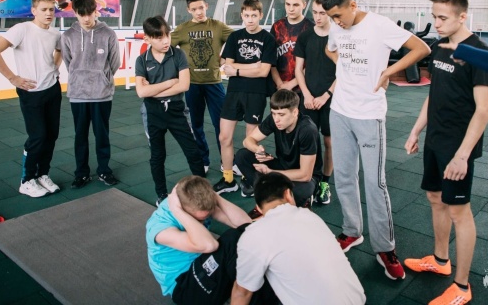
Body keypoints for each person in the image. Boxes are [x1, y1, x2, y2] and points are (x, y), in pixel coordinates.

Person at [322, 0, 430, 280]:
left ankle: (385, 248)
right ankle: (351, 231)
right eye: (331, 17)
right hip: (339, 111)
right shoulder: (337, 27)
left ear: (353, 5)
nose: (336, 22)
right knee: (344, 176)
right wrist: (344, 67)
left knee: (375, 183)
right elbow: (330, 49)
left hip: (369, 115)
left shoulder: (379, 25)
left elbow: (422, 48)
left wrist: (388, 72)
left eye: (338, 15)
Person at [404, 0, 488, 305]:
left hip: (458, 146)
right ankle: (441, 260)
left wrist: (462, 156)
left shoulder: (478, 53)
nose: (437, 23)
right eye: (434, 17)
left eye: (442, 18)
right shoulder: (440, 47)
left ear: (462, 16)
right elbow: (434, 94)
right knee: (434, 198)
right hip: (435, 139)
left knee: (459, 212)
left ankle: (462, 287)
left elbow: (484, 110)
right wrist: (416, 130)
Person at [230, 172, 366, 305]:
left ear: (259, 209)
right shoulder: (312, 217)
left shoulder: (253, 235)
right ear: (288, 194)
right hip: (358, 299)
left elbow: (242, 293)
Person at [0, 0, 62, 198]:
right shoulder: (22, 29)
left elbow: (59, 50)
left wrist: (54, 68)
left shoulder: (55, 34)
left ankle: (42, 175)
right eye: (44, 9)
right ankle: (27, 180)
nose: (48, 13)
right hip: (31, 92)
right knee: (38, 137)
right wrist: (13, 78)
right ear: (34, 10)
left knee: (51, 136)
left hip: (52, 90)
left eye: (51, 9)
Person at [146, 176, 252, 304]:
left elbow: (246, 225)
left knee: (244, 236)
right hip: (184, 287)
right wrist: (177, 210)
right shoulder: (160, 227)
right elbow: (209, 246)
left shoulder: (199, 206)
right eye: (198, 219)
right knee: (231, 240)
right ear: (181, 208)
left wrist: (213, 195)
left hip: (202, 265)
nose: (202, 222)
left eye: (204, 218)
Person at [135, 16, 205, 206]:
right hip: (153, 113)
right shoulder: (142, 60)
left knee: (193, 152)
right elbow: (141, 92)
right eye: (159, 38)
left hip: (176, 110)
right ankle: (161, 195)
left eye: (167, 35)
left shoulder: (178, 54)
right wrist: (170, 82)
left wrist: (153, 90)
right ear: (147, 39)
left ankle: (204, 192)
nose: (166, 41)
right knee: (157, 156)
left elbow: (184, 85)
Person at [212, 0, 276, 195]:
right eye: (246, 15)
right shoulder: (235, 37)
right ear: (241, 15)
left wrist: (238, 70)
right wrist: (253, 66)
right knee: (224, 137)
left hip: (256, 94)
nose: (250, 19)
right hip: (234, 92)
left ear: (260, 15)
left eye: (254, 15)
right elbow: (227, 65)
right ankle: (228, 179)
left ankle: (249, 177)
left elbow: (264, 71)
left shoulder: (268, 39)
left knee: (250, 139)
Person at [61, 0, 121, 189]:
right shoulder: (68, 35)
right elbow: (68, 62)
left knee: (102, 135)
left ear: (96, 11)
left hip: (102, 94)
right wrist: (79, 77)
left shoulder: (108, 33)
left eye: (90, 13)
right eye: (82, 14)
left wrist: (102, 77)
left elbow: (115, 62)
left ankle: (104, 170)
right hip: (77, 94)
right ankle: (82, 173)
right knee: (80, 136)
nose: (86, 18)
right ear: (75, 13)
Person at [233, 89, 322, 216]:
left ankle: (300, 201)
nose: (276, 119)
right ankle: (266, 201)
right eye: (273, 113)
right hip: (283, 166)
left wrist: (270, 173)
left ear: (295, 112)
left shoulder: (307, 130)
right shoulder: (274, 119)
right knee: (242, 156)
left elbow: (305, 175)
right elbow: (248, 140)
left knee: (300, 191)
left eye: (281, 115)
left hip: (305, 178)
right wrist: (257, 149)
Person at [171, 0, 233, 173]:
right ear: (188, 10)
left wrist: (225, 59)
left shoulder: (217, 26)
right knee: (196, 124)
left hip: (214, 83)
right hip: (192, 85)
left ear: (206, 6)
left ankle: (226, 161)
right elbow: (166, 48)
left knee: (221, 124)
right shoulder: (182, 29)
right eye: (194, 9)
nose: (198, 12)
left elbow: (237, 41)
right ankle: (203, 160)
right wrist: (179, 69)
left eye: (201, 7)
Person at [293, 0, 335, 205]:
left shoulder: (339, 37)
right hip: (308, 99)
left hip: (331, 99)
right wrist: (307, 95)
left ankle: (325, 183)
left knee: (329, 142)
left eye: (322, 13)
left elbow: (344, 71)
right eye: (315, 13)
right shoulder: (305, 37)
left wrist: (326, 95)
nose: (318, 17)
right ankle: (311, 180)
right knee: (309, 141)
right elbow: (298, 70)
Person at [270, 0, 314, 92]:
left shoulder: (311, 29)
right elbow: (270, 59)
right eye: (288, 4)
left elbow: (313, 63)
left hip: (303, 88)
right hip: (279, 87)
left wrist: (291, 84)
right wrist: (279, 83)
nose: (291, 9)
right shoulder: (277, 27)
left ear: (304, 5)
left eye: (295, 5)